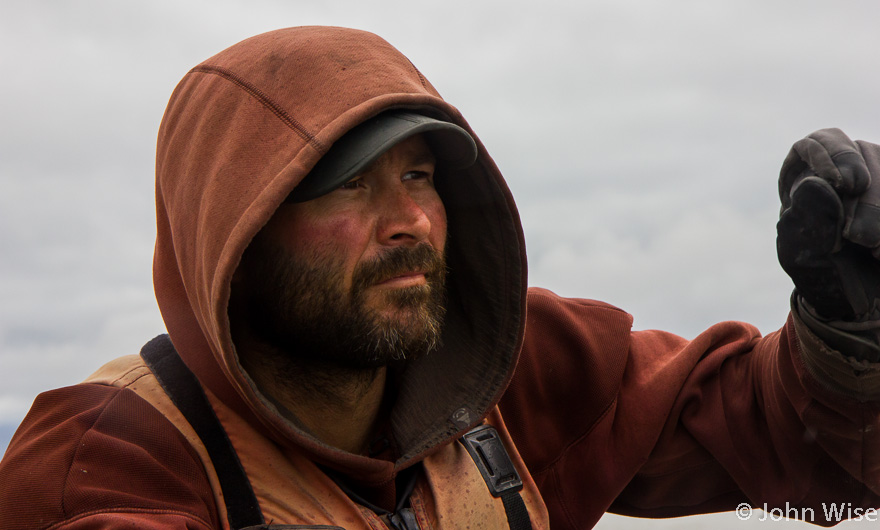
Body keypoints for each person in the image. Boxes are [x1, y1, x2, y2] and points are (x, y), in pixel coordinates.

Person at [1, 26, 880, 530]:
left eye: (420, 176)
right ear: (234, 234)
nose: (410, 221)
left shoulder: (504, 373)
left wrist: (847, 333)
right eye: (349, 184)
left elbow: (750, 417)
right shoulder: (108, 459)